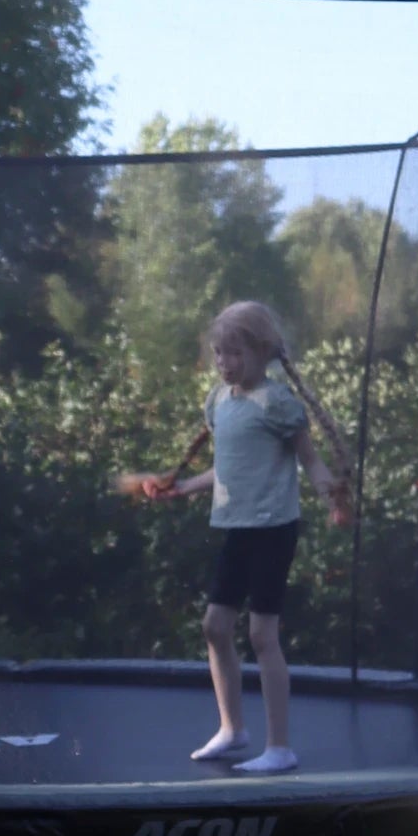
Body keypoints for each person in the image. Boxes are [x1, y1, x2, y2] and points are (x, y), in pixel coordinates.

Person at [145, 300, 351, 774]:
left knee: (262, 635)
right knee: (215, 627)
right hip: (236, 528)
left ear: (262, 352)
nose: (223, 363)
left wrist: (331, 495)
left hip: (273, 530)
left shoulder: (278, 403)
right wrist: (180, 489)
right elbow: (225, 470)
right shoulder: (220, 402)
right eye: (218, 354)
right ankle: (232, 729)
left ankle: (280, 746)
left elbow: (310, 460)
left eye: (233, 354)